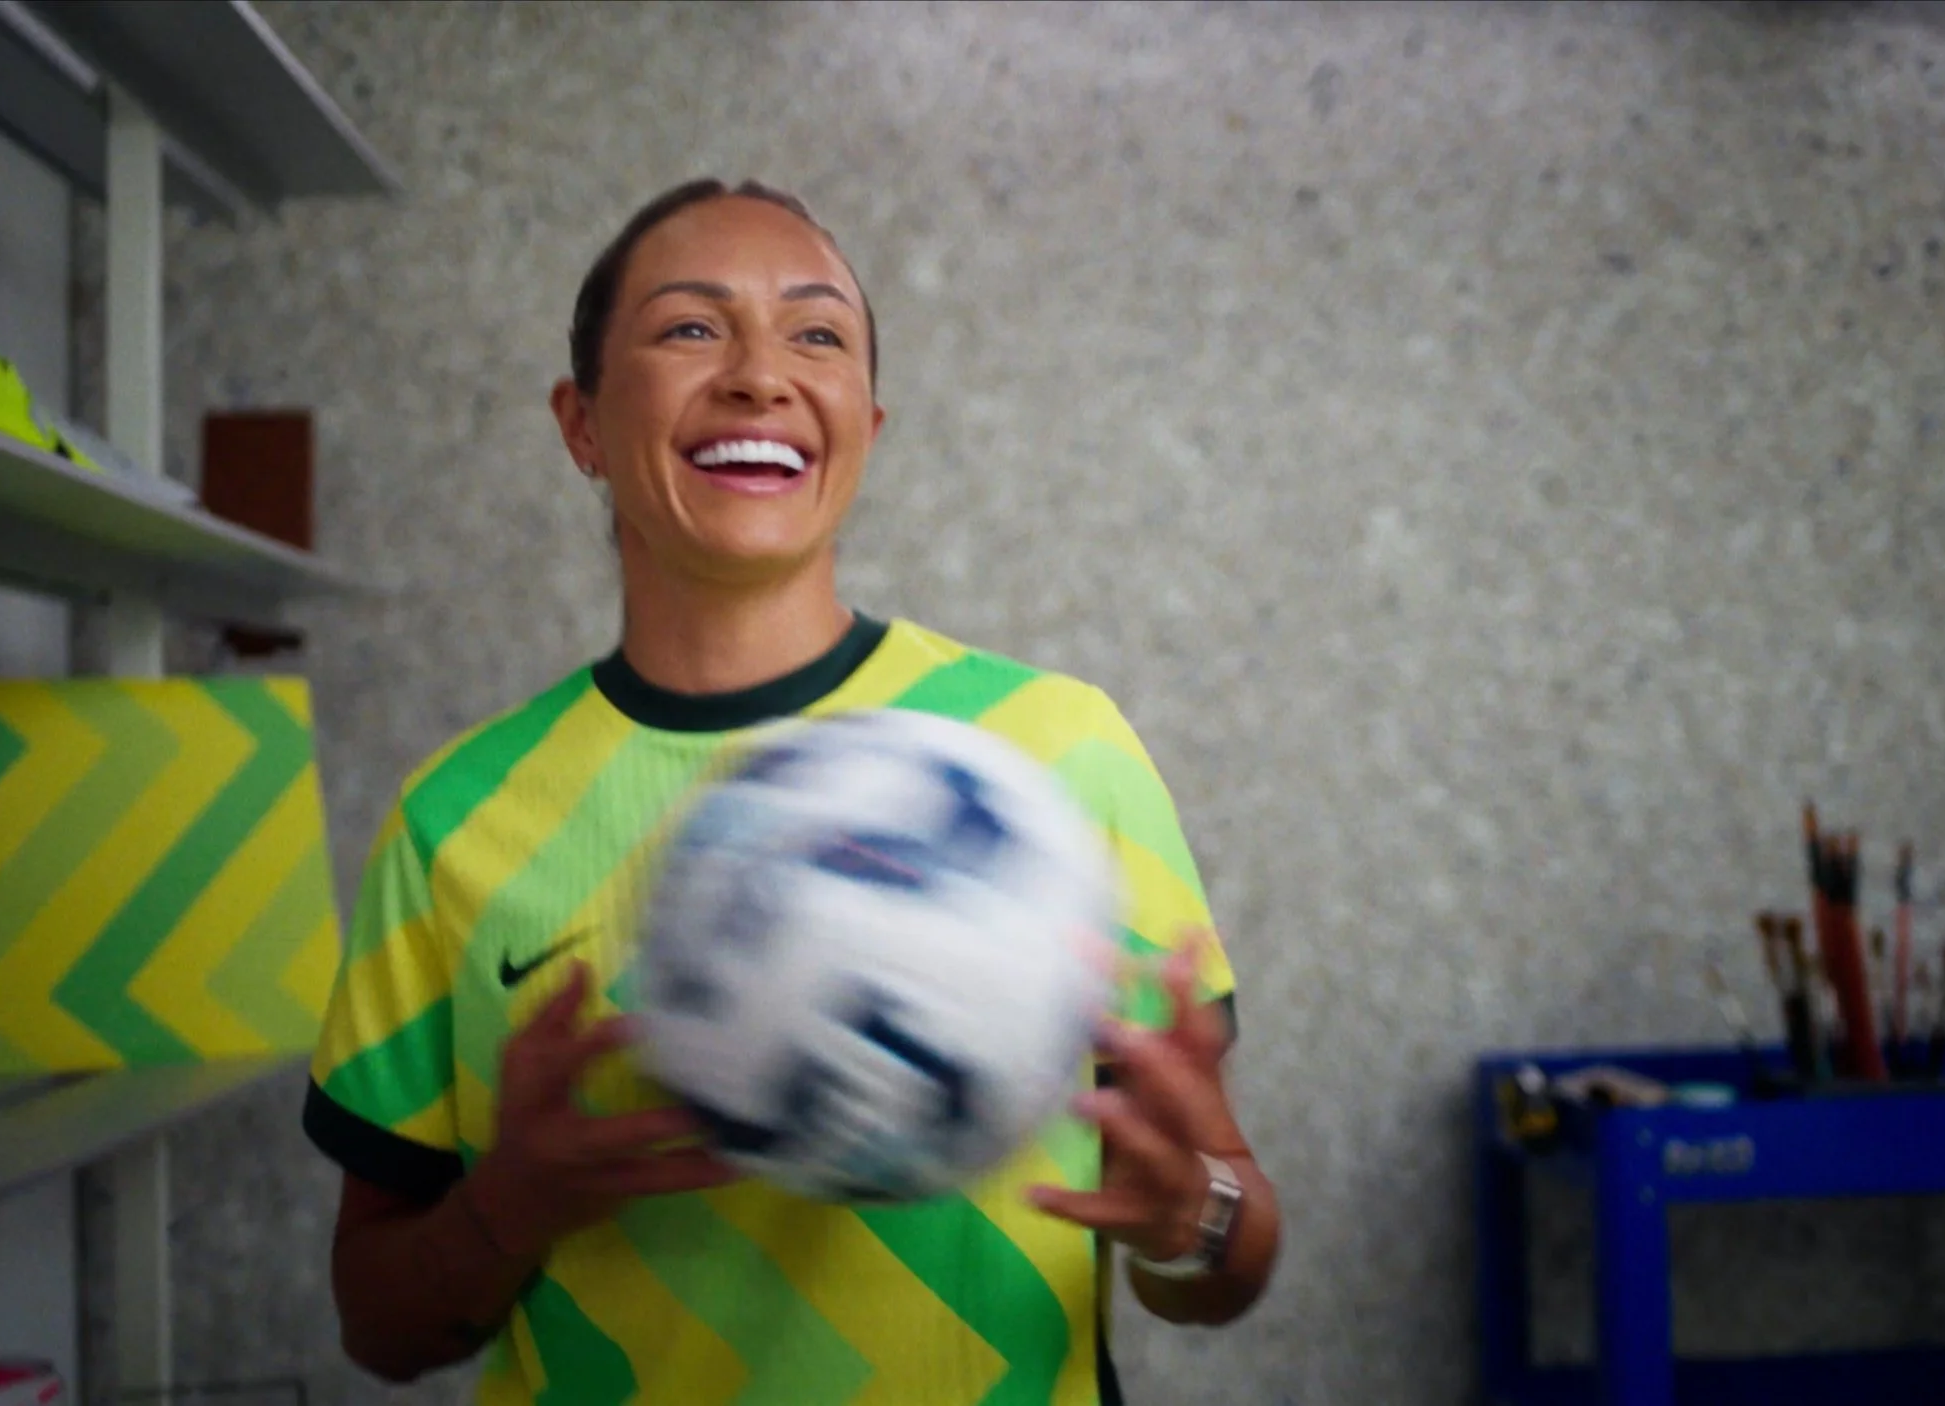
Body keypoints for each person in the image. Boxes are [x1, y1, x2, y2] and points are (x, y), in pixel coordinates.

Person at [303, 177, 1281, 1405]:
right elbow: (379, 1325)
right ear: (581, 422)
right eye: (689, 326)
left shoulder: (1054, 753)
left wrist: (1188, 1213)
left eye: (816, 334)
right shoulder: (454, 817)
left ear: (865, 421)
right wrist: (512, 1202)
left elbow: (1227, 1252)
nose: (760, 375)